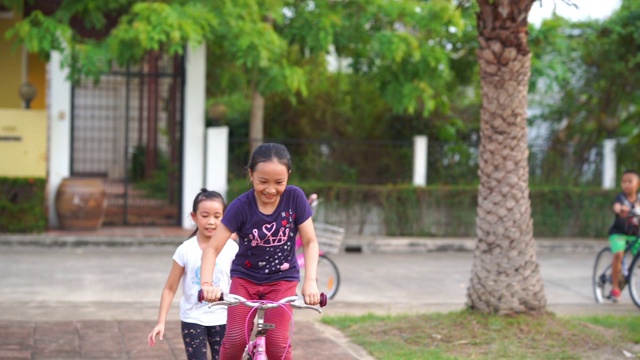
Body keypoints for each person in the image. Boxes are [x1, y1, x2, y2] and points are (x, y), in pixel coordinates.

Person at [200, 143, 320, 360]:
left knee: (278, 345)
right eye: (263, 181)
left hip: (282, 281)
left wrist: (310, 282)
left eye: (279, 182)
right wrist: (207, 285)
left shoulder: (295, 198)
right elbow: (212, 248)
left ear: (288, 176)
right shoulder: (241, 206)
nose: (271, 189)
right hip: (245, 280)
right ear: (251, 175)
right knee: (236, 339)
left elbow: (310, 241)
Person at [148, 189, 238, 360]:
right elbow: (170, 288)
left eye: (217, 216)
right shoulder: (185, 250)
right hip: (193, 318)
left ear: (225, 217)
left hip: (224, 318)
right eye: (205, 215)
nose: (211, 222)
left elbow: (240, 282)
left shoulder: (232, 249)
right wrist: (161, 322)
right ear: (194, 216)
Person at [607, 170, 640, 302]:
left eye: (629, 182)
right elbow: (616, 207)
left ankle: (628, 274)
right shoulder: (621, 198)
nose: (626, 185)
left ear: (637, 184)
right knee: (619, 255)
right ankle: (615, 287)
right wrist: (621, 209)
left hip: (634, 235)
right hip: (618, 234)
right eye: (623, 182)